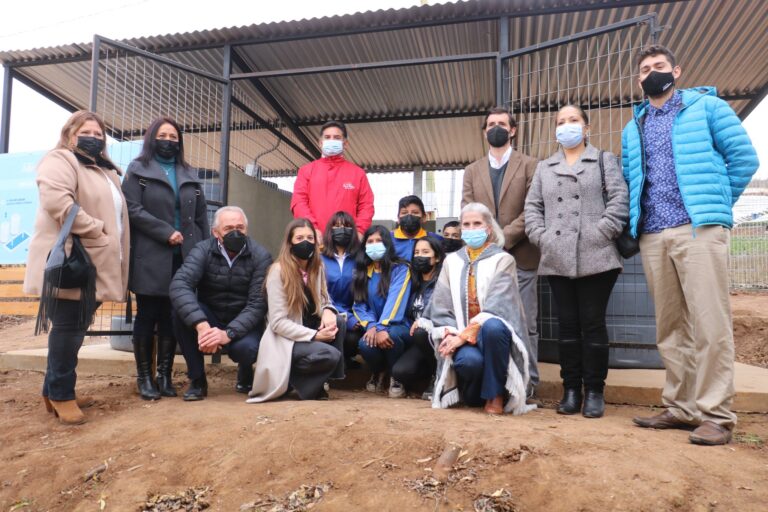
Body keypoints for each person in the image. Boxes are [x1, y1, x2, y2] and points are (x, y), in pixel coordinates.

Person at [622, 45, 759, 445]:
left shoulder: (707, 108)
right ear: (638, 79)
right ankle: (681, 407)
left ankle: (717, 414)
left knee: (710, 324)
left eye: (659, 66)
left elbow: (745, 159)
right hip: (653, 234)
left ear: (677, 71)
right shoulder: (636, 126)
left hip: (698, 230)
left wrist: (714, 205)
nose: (652, 73)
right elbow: (634, 179)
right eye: (645, 69)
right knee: (669, 326)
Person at [24, 110, 129, 425]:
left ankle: (54, 388)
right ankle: (61, 394)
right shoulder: (61, 159)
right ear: (70, 134)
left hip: (94, 261)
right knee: (69, 328)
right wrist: (98, 229)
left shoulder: (103, 170)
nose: (94, 138)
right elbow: (58, 201)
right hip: (73, 259)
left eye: (99, 134)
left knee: (75, 327)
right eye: (87, 132)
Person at [525, 105, 629, 418]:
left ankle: (595, 391)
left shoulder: (603, 159)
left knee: (593, 323)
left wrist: (602, 232)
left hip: (596, 254)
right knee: (566, 325)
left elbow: (619, 199)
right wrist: (542, 238)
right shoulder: (545, 167)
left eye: (573, 120)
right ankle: (571, 389)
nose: (566, 126)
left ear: (586, 128)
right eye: (561, 122)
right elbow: (532, 207)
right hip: (557, 255)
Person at [122, 117, 209, 400]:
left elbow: (200, 217)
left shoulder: (188, 173)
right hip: (151, 254)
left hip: (184, 255)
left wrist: (204, 250)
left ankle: (165, 375)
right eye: (163, 135)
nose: (169, 140)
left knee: (174, 315)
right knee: (148, 314)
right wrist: (165, 232)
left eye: (174, 136)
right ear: (152, 138)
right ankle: (144, 377)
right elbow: (132, 209)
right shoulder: (138, 170)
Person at [418, 203, 534, 415]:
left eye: (477, 223)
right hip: (461, 333)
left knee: (493, 327)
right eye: (467, 224)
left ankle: (495, 395)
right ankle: (471, 393)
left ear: (489, 228)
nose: (472, 228)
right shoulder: (451, 261)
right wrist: (451, 332)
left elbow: (499, 306)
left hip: (492, 338)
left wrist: (463, 337)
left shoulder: (503, 259)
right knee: (469, 363)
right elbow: (441, 304)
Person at [461, 107, 541, 400]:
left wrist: (501, 239)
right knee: (488, 320)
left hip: (521, 256)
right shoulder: (472, 170)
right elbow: (468, 209)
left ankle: (529, 383)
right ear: (485, 132)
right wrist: (488, 244)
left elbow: (532, 208)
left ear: (513, 130)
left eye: (502, 124)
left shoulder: (531, 165)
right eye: (491, 124)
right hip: (484, 261)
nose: (496, 128)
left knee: (525, 322)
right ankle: (497, 381)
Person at [169, 207, 271, 401]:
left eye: (240, 227)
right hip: (210, 317)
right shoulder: (203, 250)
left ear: (247, 229)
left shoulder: (261, 256)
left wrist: (228, 334)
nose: (236, 232)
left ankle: (245, 371)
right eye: (229, 228)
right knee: (179, 313)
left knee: (248, 350)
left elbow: (258, 303)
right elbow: (179, 285)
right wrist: (202, 326)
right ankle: (197, 380)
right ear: (215, 232)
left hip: (243, 319)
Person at [247, 218, 344, 402]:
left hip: (308, 329)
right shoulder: (278, 271)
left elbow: (324, 298)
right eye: (299, 238)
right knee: (330, 354)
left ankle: (321, 382)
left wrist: (329, 310)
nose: (305, 242)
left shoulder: (318, 267)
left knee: (338, 323)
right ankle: (292, 380)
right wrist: (315, 335)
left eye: (310, 237)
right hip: (286, 340)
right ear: (290, 242)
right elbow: (278, 323)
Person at [353, 226, 412, 397]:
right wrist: (371, 325)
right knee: (365, 344)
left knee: (391, 335)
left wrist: (382, 326)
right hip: (375, 325)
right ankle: (379, 372)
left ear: (387, 243)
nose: (374, 245)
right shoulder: (362, 271)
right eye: (370, 242)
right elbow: (359, 305)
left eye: (378, 241)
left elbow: (396, 301)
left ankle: (396, 375)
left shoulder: (401, 269)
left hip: (398, 325)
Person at [291, 120, 374, 240]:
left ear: (345, 143)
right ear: (320, 143)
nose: (331, 140)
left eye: (336, 137)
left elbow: (366, 206)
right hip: (316, 242)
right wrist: (312, 229)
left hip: (347, 243)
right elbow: (299, 202)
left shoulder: (358, 173)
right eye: (327, 137)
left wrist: (359, 232)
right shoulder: (306, 171)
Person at [390, 236, 444, 399]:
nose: (420, 256)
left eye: (426, 252)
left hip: (438, 336)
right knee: (400, 372)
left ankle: (438, 376)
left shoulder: (443, 282)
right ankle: (426, 372)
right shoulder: (410, 282)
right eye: (417, 252)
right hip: (416, 339)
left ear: (437, 257)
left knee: (421, 332)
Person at [320, 211, 363, 369]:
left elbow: (364, 293)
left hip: (355, 316)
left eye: (346, 226)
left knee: (352, 338)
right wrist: (341, 315)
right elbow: (319, 293)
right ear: (330, 231)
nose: (342, 230)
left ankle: (345, 359)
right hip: (325, 313)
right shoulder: (319, 259)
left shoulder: (360, 259)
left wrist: (353, 317)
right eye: (337, 226)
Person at [391, 195, 441, 261]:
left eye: (415, 212)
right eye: (404, 213)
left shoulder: (436, 239)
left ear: (424, 217)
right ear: (398, 218)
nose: (409, 216)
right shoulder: (387, 239)